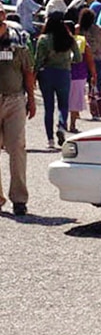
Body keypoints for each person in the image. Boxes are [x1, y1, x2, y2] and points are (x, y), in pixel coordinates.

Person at [0, 18, 36, 216]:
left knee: (17, 148)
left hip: (14, 100)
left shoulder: (17, 41)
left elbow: (27, 71)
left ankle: (19, 199)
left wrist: (31, 99)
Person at [35, 12, 82, 149]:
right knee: (63, 105)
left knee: (48, 107)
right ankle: (61, 126)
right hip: (64, 73)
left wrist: (34, 75)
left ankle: (50, 139)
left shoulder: (43, 39)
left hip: (47, 74)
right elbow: (78, 58)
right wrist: (68, 61)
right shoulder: (69, 38)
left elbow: (38, 60)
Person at [65, 19, 96, 133]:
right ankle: (71, 125)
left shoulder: (59, 41)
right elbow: (90, 60)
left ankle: (65, 123)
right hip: (78, 75)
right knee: (75, 101)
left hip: (66, 74)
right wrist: (93, 74)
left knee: (66, 101)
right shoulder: (82, 42)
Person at [78, 8, 101, 113]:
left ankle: (76, 110)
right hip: (97, 60)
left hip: (82, 60)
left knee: (79, 85)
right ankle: (95, 110)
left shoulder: (78, 29)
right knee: (96, 85)